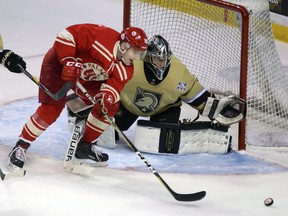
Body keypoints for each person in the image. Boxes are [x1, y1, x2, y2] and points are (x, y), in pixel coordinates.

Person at [7, 24, 148, 172]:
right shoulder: (101, 37)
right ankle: (21, 145)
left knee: (109, 106)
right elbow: (66, 35)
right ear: (124, 45)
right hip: (58, 65)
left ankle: (85, 147)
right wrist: (68, 59)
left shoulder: (126, 69)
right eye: (135, 52)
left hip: (85, 78)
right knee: (51, 109)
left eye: (140, 53)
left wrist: (106, 97)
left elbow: (113, 88)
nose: (137, 57)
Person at [114, 35, 245, 144]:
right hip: (127, 105)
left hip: (164, 109)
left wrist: (220, 110)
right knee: (111, 130)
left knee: (164, 141)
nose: (162, 63)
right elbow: (108, 80)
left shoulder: (178, 71)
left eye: (165, 59)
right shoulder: (132, 63)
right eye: (158, 59)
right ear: (148, 56)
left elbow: (195, 94)